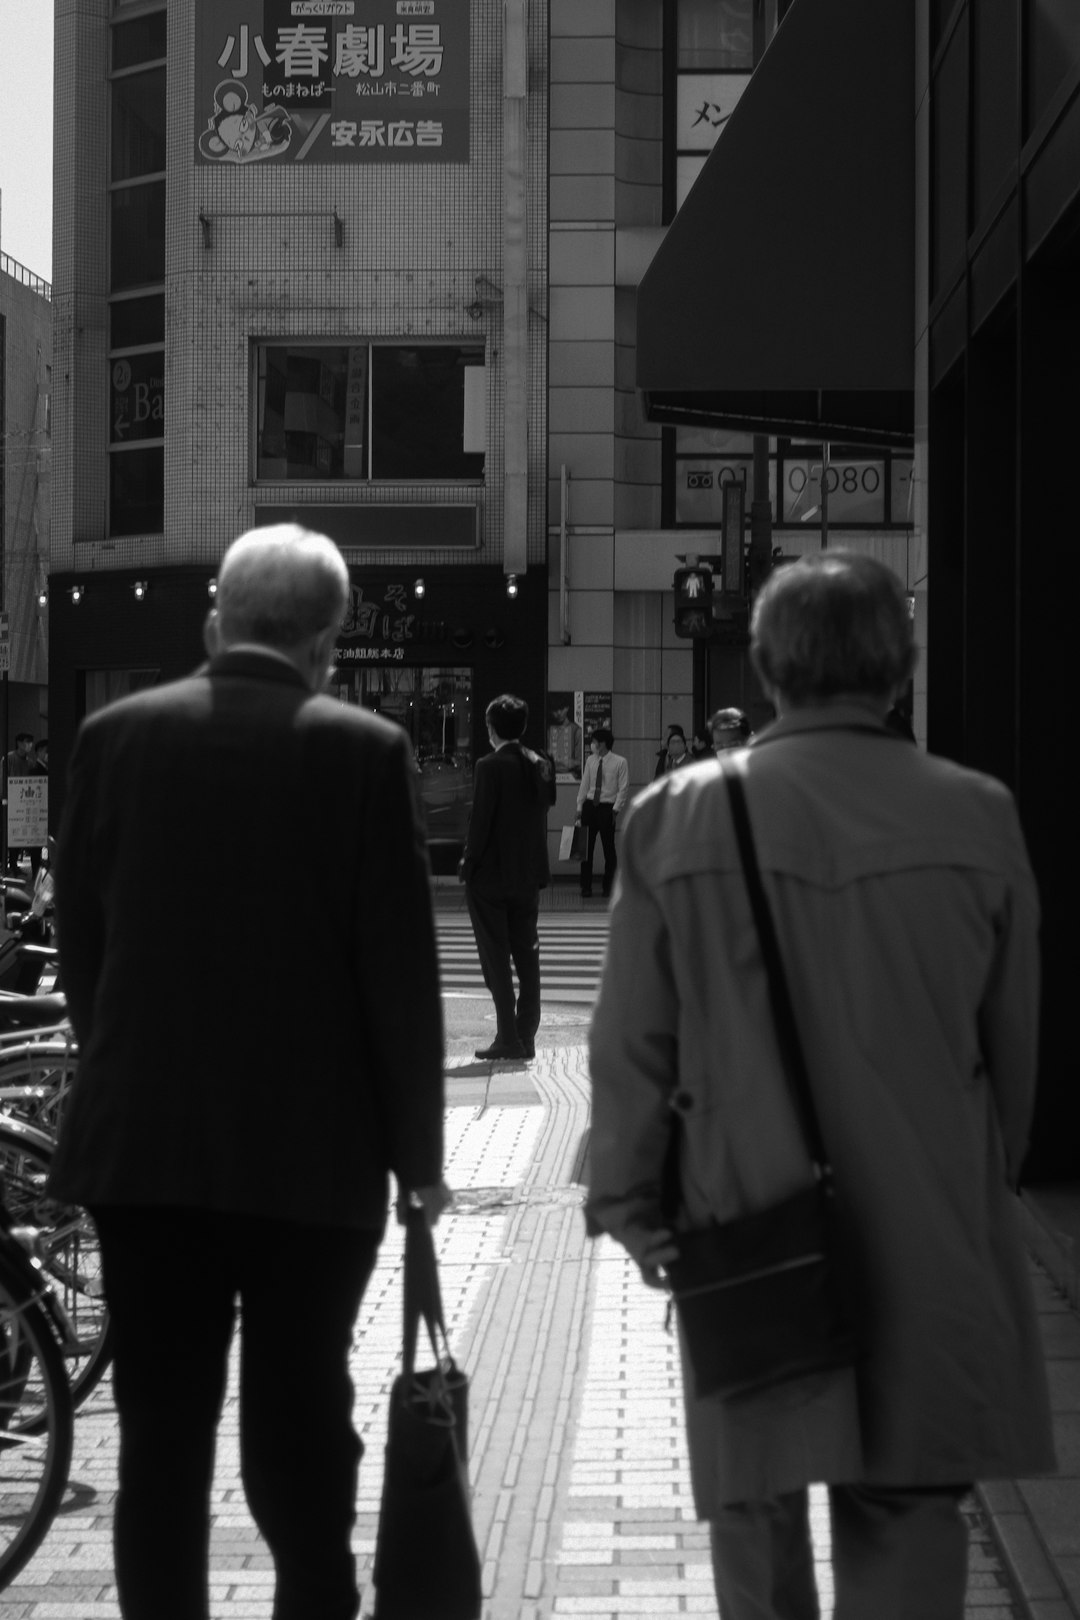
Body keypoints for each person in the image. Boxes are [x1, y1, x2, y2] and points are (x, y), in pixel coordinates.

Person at [586, 550, 1055, 1620]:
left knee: (755, 1506)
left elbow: (632, 1047)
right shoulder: (976, 815)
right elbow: (1015, 1058)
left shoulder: (680, 816)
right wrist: (986, 1182)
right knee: (907, 1507)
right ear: (901, 668)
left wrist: (631, 1206)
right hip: (929, 1215)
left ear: (764, 666)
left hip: (747, 1217)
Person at [47, 523, 450, 1620]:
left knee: (162, 1437)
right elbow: (398, 976)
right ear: (330, 639)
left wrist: (122, 1057)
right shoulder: (364, 752)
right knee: (300, 1416)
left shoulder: (115, 736)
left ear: (216, 620)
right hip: (310, 1155)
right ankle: (315, 1599)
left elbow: (82, 945)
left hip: (147, 1145)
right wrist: (419, 1160)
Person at [460, 693, 557, 1061]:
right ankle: (525, 1035)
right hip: (528, 873)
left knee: (495, 956)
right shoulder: (540, 762)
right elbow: (545, 803)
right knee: (527, 953)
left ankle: (507, 1037)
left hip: (491, 875)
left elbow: (480, 823)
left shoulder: (489, 766)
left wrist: (468, 863)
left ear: (491, 727)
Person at [575, 726, 629, 899]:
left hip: (607, 807)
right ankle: (586, 886)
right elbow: (584, 784)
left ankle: (609, 887)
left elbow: (623, 787)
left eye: (595, 742)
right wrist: (579, 807)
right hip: (590, 806)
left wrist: (616, 810)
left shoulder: (620, 761)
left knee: (609, 850)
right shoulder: (591, 760)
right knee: (585, 850)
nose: (592, 745)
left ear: (603, 743)